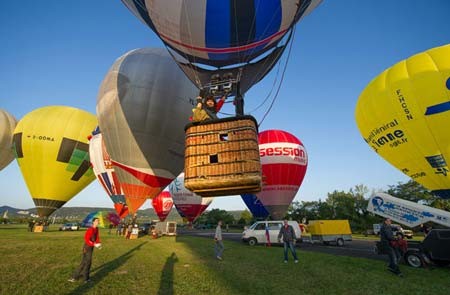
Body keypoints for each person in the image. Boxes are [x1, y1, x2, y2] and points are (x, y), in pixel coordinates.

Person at [68, 217, 101, 283]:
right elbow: (86, 239)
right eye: (97, 221)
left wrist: (99, 244)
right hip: (87, 247)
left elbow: (97, 237)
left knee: (86, 263)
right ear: (93, 222)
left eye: (98, 221)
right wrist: (94, 244)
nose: (98, 222)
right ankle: (81, 278)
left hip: (91, 247)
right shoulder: (90, 229)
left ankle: (80, 278)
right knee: (86, 263)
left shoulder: (96, 229)